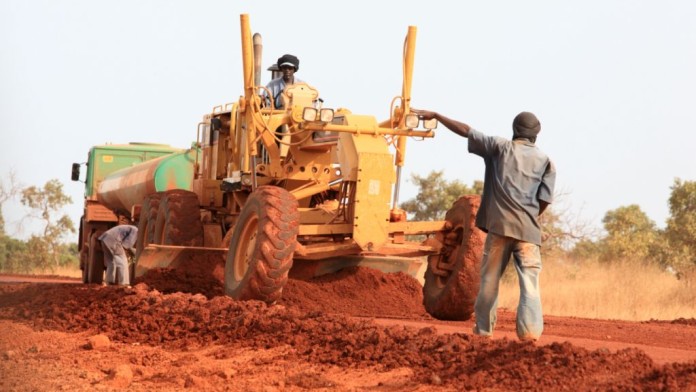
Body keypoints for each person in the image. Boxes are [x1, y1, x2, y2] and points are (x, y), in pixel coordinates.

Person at [412, 108, 556, 342]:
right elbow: (544, 200)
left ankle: (483, 333)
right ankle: (530, 335)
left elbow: (467, 131)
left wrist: (437, 116)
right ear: (536, 135)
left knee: (489, 280)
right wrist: (528, 218)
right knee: (530, 283)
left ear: (515, 131)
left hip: (499, 228)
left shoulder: (500, 147)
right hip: (528, 231)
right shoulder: (546, 161)